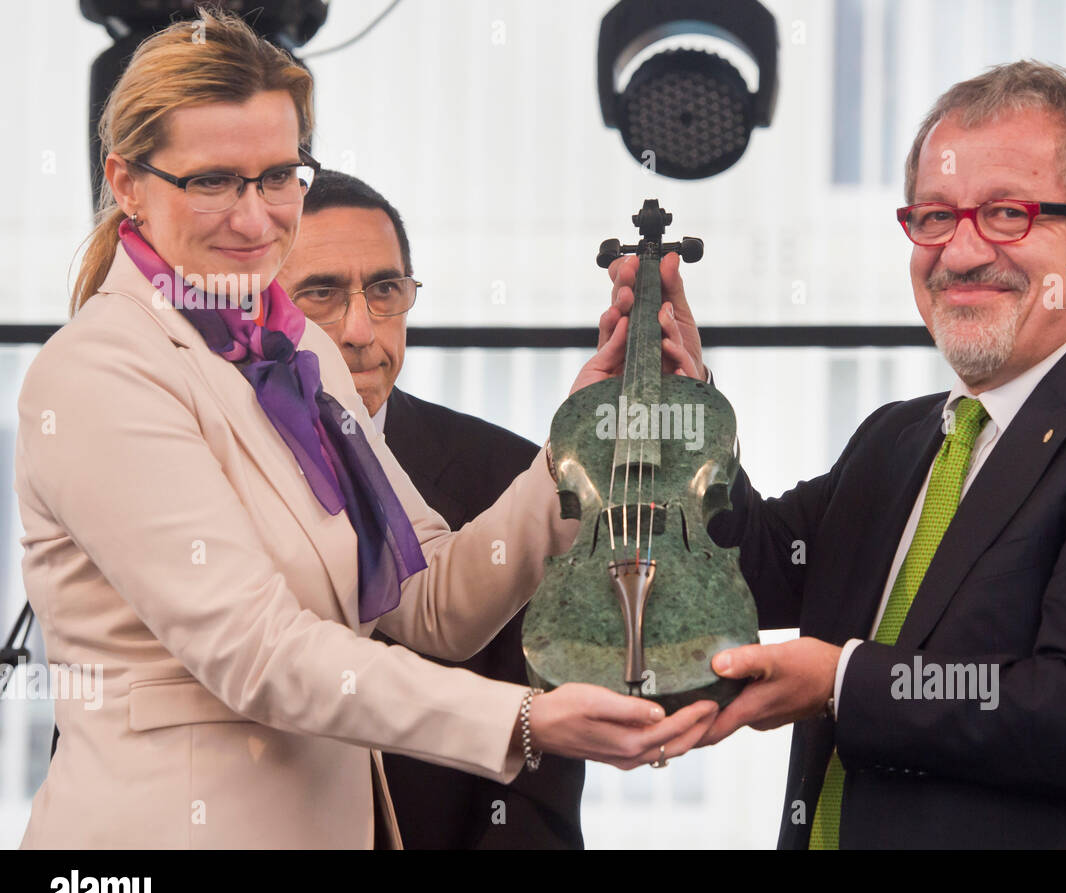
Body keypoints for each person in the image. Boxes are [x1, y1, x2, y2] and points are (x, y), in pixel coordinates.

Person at [16, 9, 715, 849]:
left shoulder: (293, 346)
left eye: (278, 176)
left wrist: (579, 445)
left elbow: (428, 599)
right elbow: (256, 651)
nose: (255, 218)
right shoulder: (100, 370)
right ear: (127, 183)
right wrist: (523, 718)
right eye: (212, 181)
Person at [606, 60, 1066, 848]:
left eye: (1007, 214)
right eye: (935, 217)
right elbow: (745, 568)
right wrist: (684, 401)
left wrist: (842, 682)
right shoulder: (897, 439)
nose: (960, 252)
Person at [275, 169, 585, 848]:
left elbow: (538, 788)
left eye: (384, 291)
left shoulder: (511, 475)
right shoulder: (205, 451)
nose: (360, 329)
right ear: (267, 310)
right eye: (322, 294)